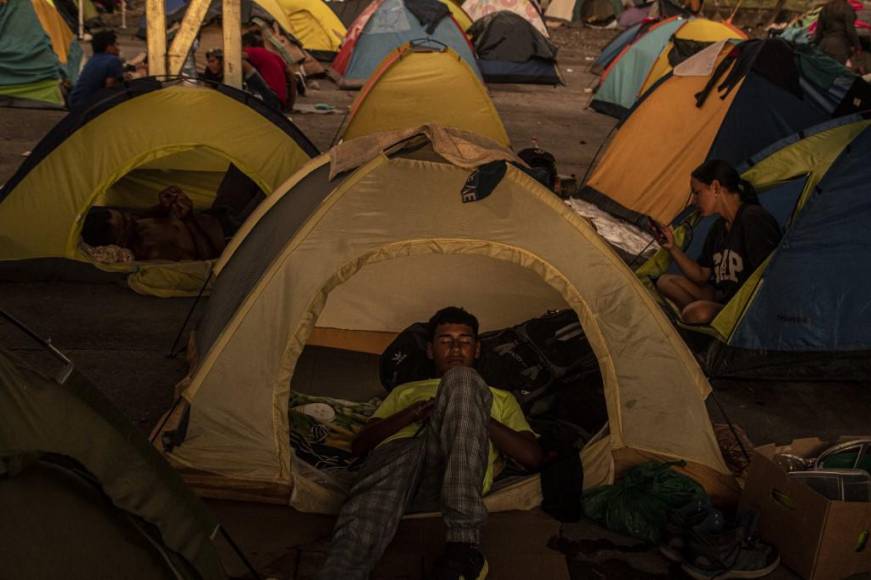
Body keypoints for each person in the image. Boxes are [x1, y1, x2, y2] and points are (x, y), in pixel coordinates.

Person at [317, 307, 543, 580]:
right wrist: (412, 413)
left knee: (462, 379)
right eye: (445, 341)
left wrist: (471, 410)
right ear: (430, 350)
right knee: (359, 528)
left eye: (465, 340)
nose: (456, 348)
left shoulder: (500, 397)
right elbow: (359, 446)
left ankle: (463, 547)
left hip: (453, 472)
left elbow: (532, 456)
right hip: (395, 467)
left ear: (477, 349)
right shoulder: (405, 391)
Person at [655, 160, 782, 325]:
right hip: (722, 297)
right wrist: (672, 248)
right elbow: (701, 275)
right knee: (665, 282)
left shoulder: (753, 218)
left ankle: (700, 327)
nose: (693, 201)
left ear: (715, 187)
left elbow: (770, 276)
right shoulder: (719, 227)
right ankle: (699, 324)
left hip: (742, 307)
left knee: (697, 312)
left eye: (697, 193)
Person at [81, 185, 239, 261]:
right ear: (120, 240)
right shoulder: (151, 251)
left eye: (126, 215)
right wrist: (189, 221)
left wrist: (164, 205)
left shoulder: (134, 225)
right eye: (126, 222)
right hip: (233, 232)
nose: (132, 218)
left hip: (218, 213)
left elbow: (148, 218)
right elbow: (206, 257)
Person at [69, 30, 124, 109]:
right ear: (108, 47)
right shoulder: (113, 60)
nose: (118, 48)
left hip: (75, 101)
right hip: (89, 106)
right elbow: (110, 89)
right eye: (116, 44)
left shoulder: (93, 59)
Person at [241, 32, 289, 110]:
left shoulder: (253, 51)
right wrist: (289, 105)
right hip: (279, 102)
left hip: (270, 99)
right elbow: (291, 77)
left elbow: (233, 58)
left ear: (247, 45)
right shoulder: (274, 56)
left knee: (241, 63)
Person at [814, 0, 863, 66]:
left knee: (822, 73)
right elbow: (850, 30)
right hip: (839, 46)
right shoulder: (847, 8)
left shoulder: (825, 8)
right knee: (836, 73)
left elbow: (819, 30)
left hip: (823, 45)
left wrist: (815, 45)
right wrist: (857, 47)